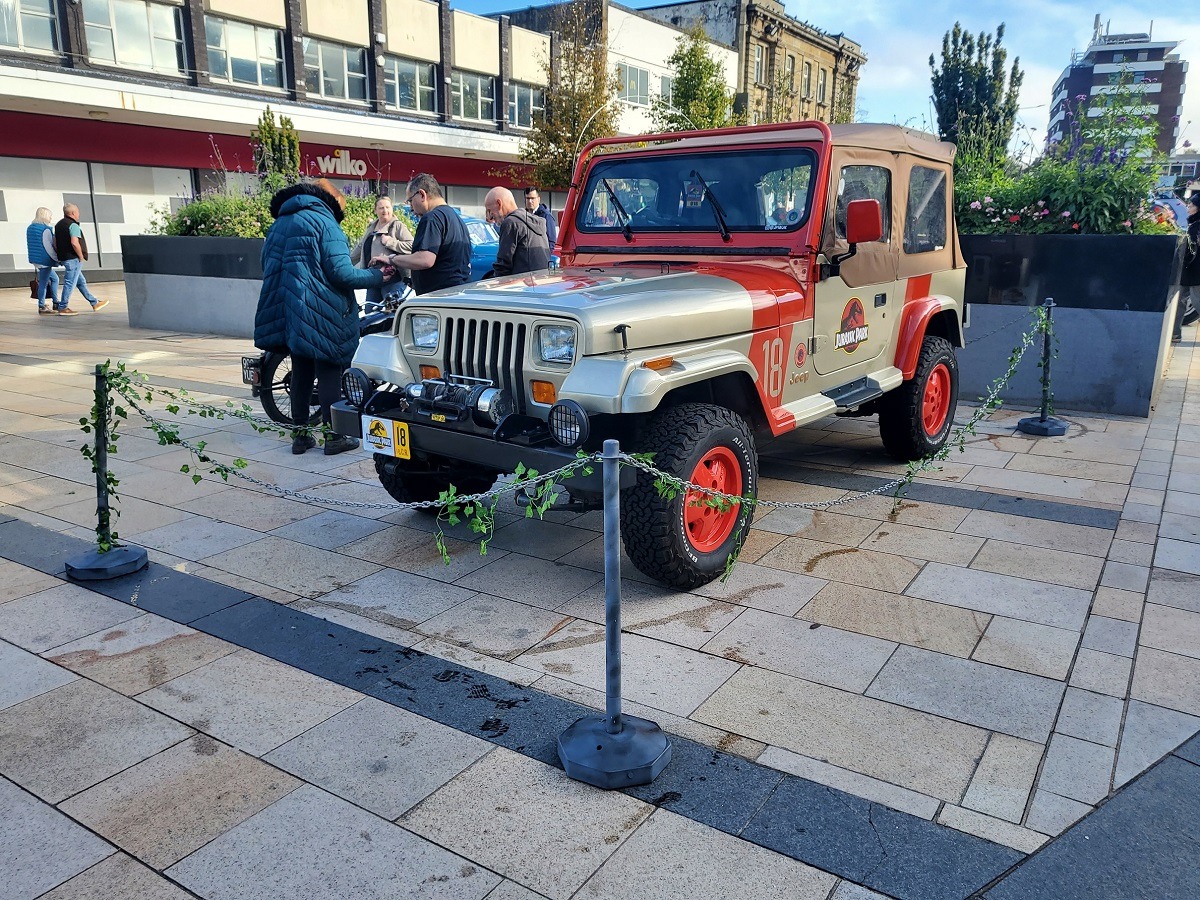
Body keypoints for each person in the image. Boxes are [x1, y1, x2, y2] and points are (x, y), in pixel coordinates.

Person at [254, 178, 387, 455]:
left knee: (302, 371)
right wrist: (377, 275)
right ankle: (334, 437)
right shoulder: (325, 224)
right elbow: (342, 273)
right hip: (322, 310)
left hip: (289, 309)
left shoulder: (278, 224)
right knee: (329, 370)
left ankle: (300, 437)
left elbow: (266, 264)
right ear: (332, 202)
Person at [374, 174, 471, 295]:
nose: (411, 208)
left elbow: (424, 259)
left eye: (410, 201)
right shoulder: (456, 218)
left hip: (438, 298)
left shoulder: (432, 218)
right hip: (456, 294)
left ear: (422, 195)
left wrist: (392, 259)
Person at [350, 195, 413, 306]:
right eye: (381, 208)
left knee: (390, 313)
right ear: (375, 210)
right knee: (371, 314)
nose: (385, 210)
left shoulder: (397, 226)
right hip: (373, 277)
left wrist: (390, 242)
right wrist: (346, 264)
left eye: (388, 207)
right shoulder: (371, 227)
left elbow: (412, 246)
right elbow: (360, 248)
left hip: (392, 278)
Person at [54, 203, 108, 315]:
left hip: (64, 257)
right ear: (73, 213)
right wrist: (81, 256)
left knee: (81, 282)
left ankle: (94, 302)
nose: (79, 214)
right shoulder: (73, 225)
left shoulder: (58, 225)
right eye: (78, 212)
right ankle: (63, 307)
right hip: (73, 258)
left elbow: (54, 242)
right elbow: (75, 242)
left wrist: (59, 254)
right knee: (70, 282)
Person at [484, 187, 550, 277]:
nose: (489, 217)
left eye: (489, 210)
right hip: (542, 282)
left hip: (522, 286)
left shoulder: (511, 223)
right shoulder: (534, 221)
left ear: (499, 204)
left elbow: (503, 266)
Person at [1176, 194, 1200, 343]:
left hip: (1196, 270)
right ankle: (1174, 334)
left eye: (1191, 205)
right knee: (1179, 301)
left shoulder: (1198, 226)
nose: (1188, 207)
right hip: (1189, 269)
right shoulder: (1194, 224)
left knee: (1197, 302)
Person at [26, 207, 59, 314]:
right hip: (44, 260)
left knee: (54, 279)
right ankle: (42, 305)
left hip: (35, 260)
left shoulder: (30, 228)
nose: (51, 218)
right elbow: (48, 247)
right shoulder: (45, 229)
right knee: (44, 283)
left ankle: (55, 301)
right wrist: (56, 259)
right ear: (45, 216)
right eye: (50, 215)